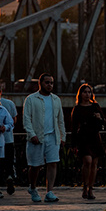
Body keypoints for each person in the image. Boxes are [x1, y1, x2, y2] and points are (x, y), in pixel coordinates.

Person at [23, 73, 65, 203]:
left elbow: (60, 119)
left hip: (53, 136)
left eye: (51, 83)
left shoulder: (56, 99)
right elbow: (26, 119)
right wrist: (32, 134)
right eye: (47, 82)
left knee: (52, 163)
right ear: (40, 83)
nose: (49, 85)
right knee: (35, 166)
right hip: (37, 136)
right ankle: (33, 187)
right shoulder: (31, 99)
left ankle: (49, 191)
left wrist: (62, 136)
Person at [70, 83, 105, 200]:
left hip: (94, 137)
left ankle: (90, 188)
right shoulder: (77, 108)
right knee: (87, 161)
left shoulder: (95, 106)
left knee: (94, 164)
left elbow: (102, 122)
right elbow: (74, 127)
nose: (87, 94)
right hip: (83, 138)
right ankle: (84, 186)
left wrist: (99, 118)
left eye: (89, 92)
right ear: (80, 94)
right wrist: (73, 143)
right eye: (85, 92)